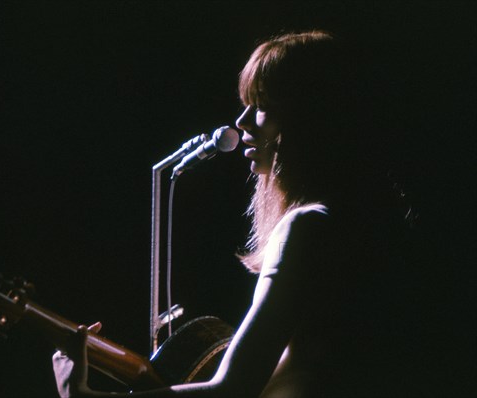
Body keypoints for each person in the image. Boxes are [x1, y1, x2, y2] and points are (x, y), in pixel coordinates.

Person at [52, 30, 413, 398]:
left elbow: (233, 390)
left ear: (309, 117)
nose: (241, 122)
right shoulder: (367, 222)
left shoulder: (308, 226)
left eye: (261, 104)